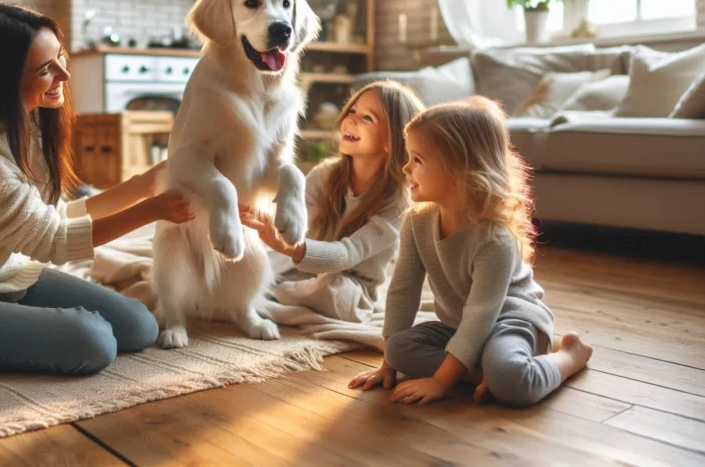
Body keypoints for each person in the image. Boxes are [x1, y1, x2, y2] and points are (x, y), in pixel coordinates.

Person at [0, 4, 192, 375]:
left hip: (11, 277)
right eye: (46, 69)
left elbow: (56, 217)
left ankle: (20, 322)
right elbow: (55, 241)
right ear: (2, 80)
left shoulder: (27, 128)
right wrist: (153, 209)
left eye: (60, 58)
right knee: (94, 341)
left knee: (139, 325)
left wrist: (145, 185)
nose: (64, 74)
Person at [349, 97, 592, 406]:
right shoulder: (416, 222)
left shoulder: (494, 240)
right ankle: (484, 374)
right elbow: (402, 291)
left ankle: (569, 356)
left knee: (514, 383)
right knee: (398, 349)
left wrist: (440, 381)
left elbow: (480, 316)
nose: (405, 167)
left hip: (508, 321)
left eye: (418, 160)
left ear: (458, 173)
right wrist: (388, 366)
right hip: (456, 325)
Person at [241, 81, 424, 322]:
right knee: (255, 259)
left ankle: (268, 295)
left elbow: (346, 254)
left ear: (392, 141)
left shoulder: (399, 203)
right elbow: (291, 218)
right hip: (302, 269)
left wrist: (287, 246)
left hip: (351, 283)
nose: (351, 120)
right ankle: (265, 291)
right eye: (352, 111)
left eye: (367, 118)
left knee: (336, 293)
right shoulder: (325, 174)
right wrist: (263, 223)